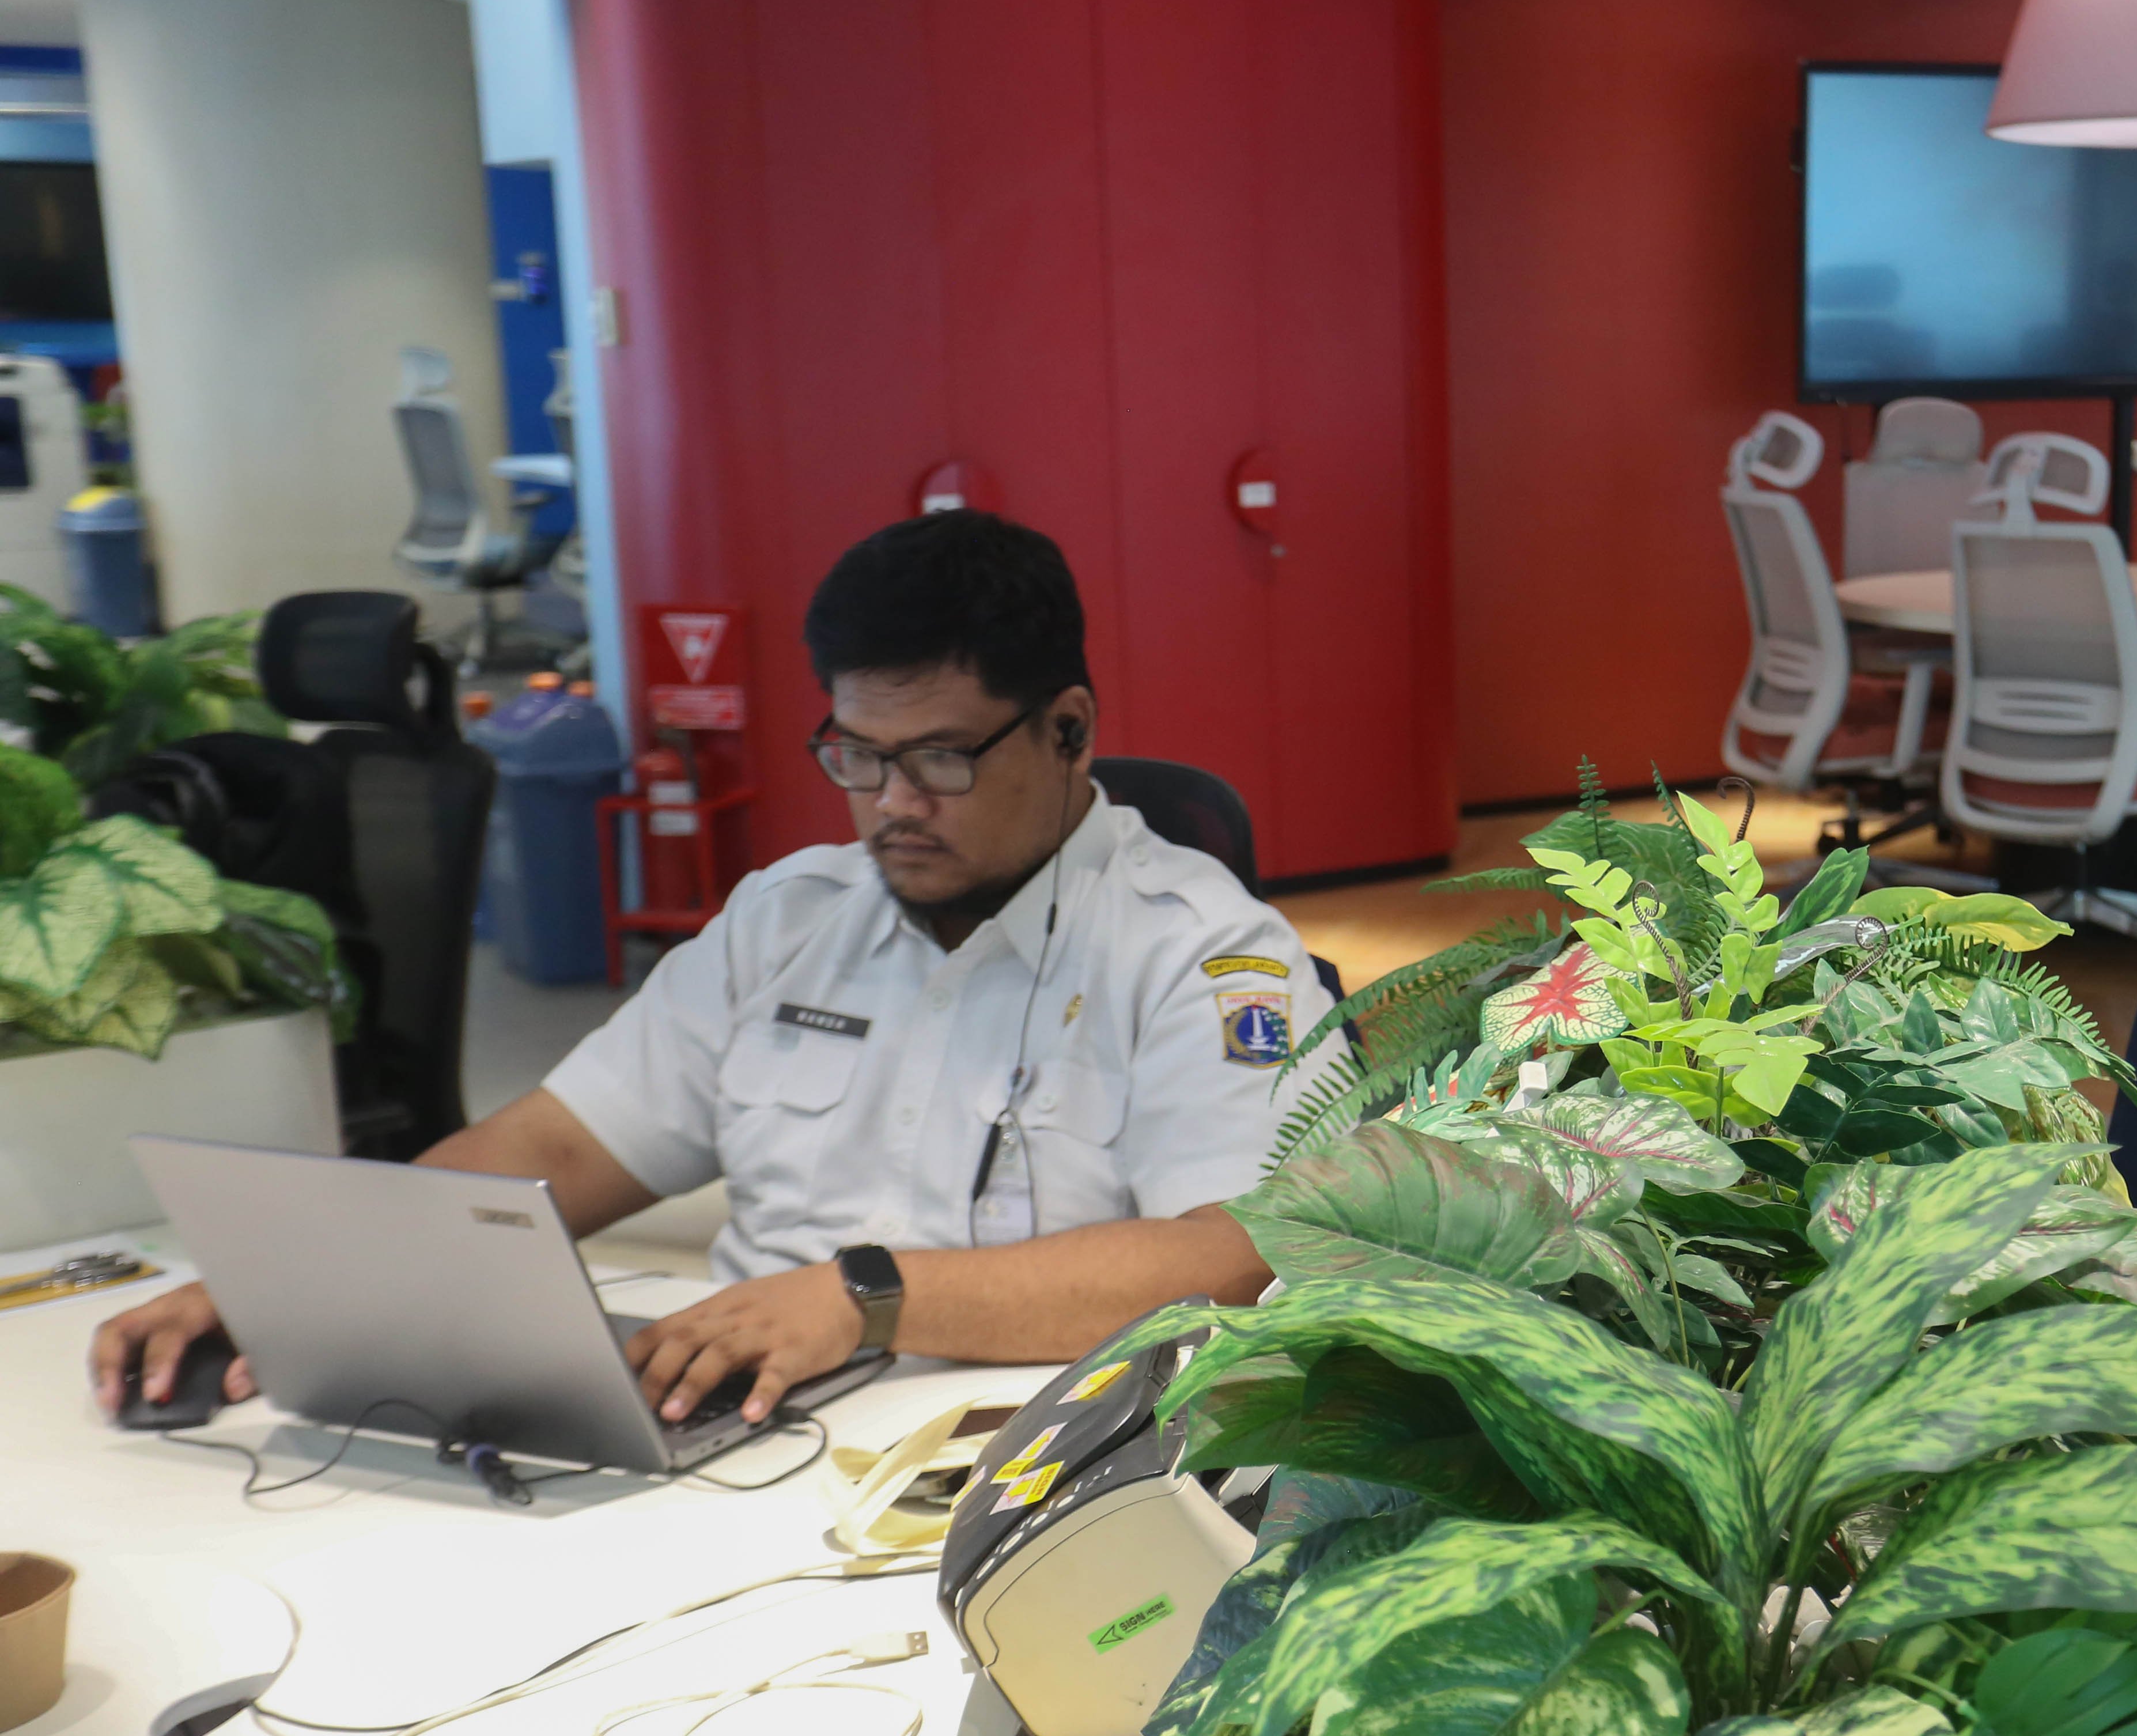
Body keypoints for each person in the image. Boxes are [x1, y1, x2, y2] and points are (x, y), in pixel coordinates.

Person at [94, 510, 1341, 1429]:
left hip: (1022, 1460)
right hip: (741, 1429)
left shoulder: (1199, 953)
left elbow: (1235, 1256)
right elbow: (561, 1145)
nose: (893, 804)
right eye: (856, 754)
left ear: (1068, 729)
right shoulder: (787, 919)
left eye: (941, 759)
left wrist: (867, 1297)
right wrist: (303, 1276)